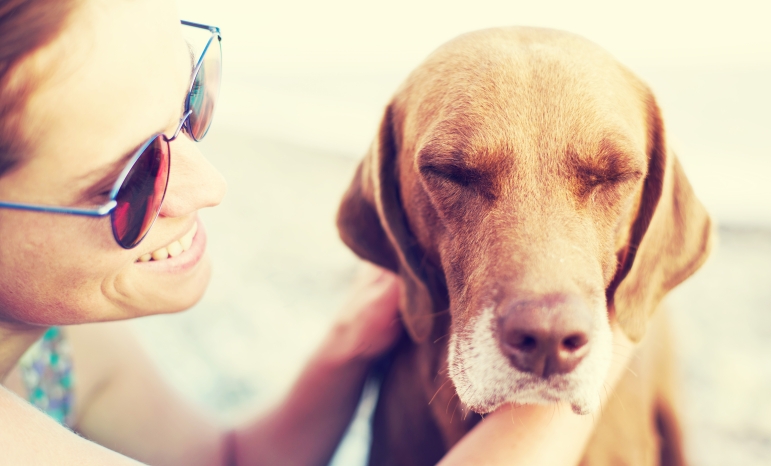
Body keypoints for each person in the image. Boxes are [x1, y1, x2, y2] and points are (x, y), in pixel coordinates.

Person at [0, 0, 635, 464]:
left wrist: (345, 346)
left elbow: (227, 460)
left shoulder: (64, 349)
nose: (209, 186)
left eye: (189, 105)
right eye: (133, 181)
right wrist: (612, 333)